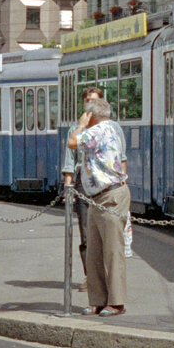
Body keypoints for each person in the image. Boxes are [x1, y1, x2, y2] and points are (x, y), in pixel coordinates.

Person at [68, 97, 128, 317]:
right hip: (97, 197)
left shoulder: (100, 130)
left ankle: (117, 302)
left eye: (85, 113)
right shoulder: (108, 129)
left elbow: (72, 142)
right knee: (95, 252)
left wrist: (82, 125)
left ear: (91, 115)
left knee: (112, 251)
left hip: (110, 196)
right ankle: (98, 300)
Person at [64, 86, 103, 291]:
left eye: (94, 101)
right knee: (86, 233)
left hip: (104, 184)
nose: (90, 104)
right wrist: (68, 186)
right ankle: (90, 277)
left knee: (106, 234)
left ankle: (105, 277)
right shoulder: (75, 130)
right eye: (87, 101)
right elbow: (69, 161)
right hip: (82, 183)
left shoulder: (108, 129)